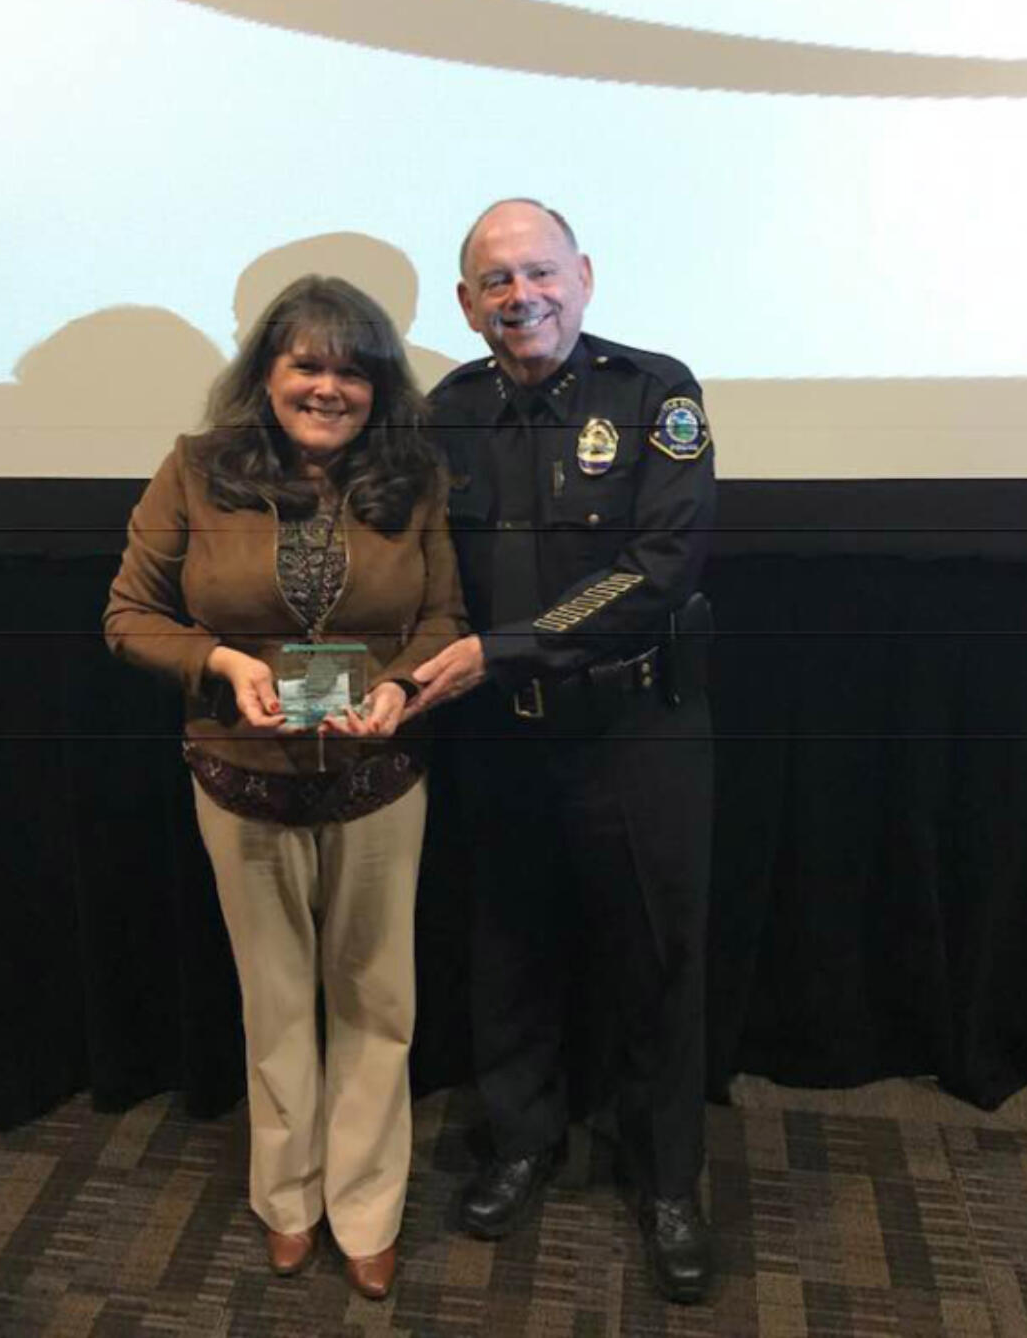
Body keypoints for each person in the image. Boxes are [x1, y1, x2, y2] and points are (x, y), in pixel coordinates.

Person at [104, 275, 466, 1300]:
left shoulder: (415, 478)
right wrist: (222, 665)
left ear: (377, 386)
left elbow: (443, 618)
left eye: (352, 370)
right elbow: (129, 614)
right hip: (239, 778)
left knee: (374, 1003)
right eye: (306, 364)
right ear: (265, 375)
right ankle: (287, 1200)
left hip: (377, 778)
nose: (328, 387)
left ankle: (365, 1209)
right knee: (273, 1006)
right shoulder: (193, 471)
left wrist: (398, 690)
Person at [409, 200, 717, 1303]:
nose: (519, 296)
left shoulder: (653, 394)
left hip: (634, 732)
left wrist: (507, 646)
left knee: (655, 959)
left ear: (582, 277)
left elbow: (658, 567)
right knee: (507, 948)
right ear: (465, 303)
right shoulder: (443, 414)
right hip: (501, 740)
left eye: (538, 272)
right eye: (494, 282)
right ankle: (522, 1142)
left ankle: (666, 1176)